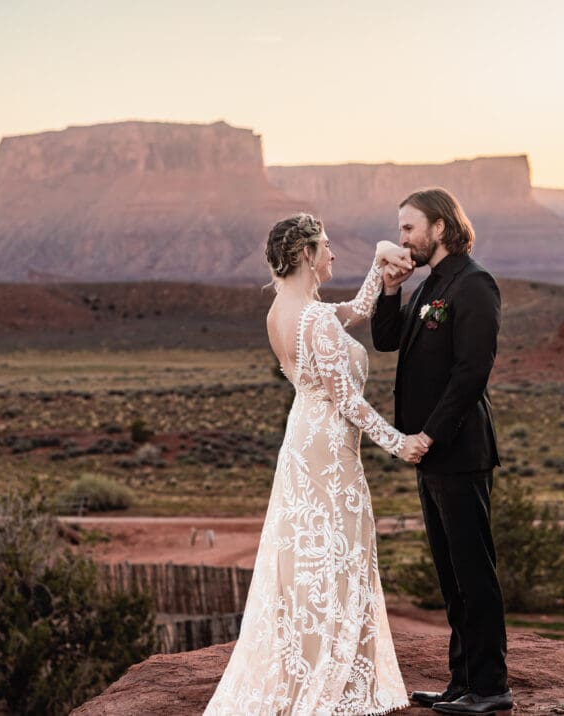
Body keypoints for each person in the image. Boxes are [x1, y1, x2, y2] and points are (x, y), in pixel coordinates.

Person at [204, 213, 430, 715]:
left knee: (309, 554)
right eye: (326, 247)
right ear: (306, 254)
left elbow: (357, 309)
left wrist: (378, 261)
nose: (332, 255)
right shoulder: (310, 317)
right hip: (328, 451)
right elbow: (347, 400)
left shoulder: (286, 311)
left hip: (303, 438)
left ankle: (310, 662)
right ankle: (332, 676)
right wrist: (401, 443)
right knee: (335, 552)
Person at [371, 188, 512, 715]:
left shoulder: (474, 283)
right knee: (452, 575)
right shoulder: (432, 283)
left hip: (457, 449)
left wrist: (429, 433)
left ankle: (492, 688)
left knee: (474, 572)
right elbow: (387, 342)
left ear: (440, 226)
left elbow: (472, 370)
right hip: (429, 455)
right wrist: (390, 289)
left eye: (409, 228)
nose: (402, 238)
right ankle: (462, 683)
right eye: (401, 229)